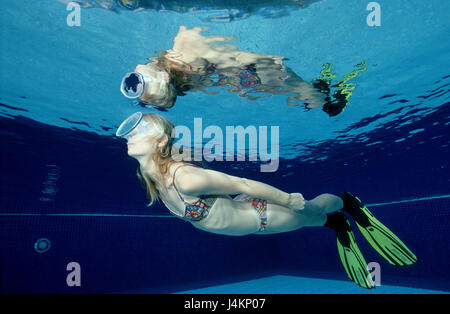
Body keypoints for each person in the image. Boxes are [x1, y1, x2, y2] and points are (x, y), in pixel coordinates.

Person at [116, 111, 418, 289]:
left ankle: (345, 203)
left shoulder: (184, 178)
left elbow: (242, 182)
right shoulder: (151, 176)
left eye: (142, 130)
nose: (132, 134)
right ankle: (335, 222)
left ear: (160, 141)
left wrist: (288, 199)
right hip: (251, 222)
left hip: (262, 217)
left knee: (311, 209)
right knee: (313, 221)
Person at [120, 26, 366, 116]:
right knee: (312, 99)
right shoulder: (184, 45)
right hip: (253, 70)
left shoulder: (182, 80)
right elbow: (231, 58)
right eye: (136, 79)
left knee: (312, 99)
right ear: (162, 76)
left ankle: (325, 95)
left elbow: (216, 69)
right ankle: (331, 93)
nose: (133, 73)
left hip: (249, 73)